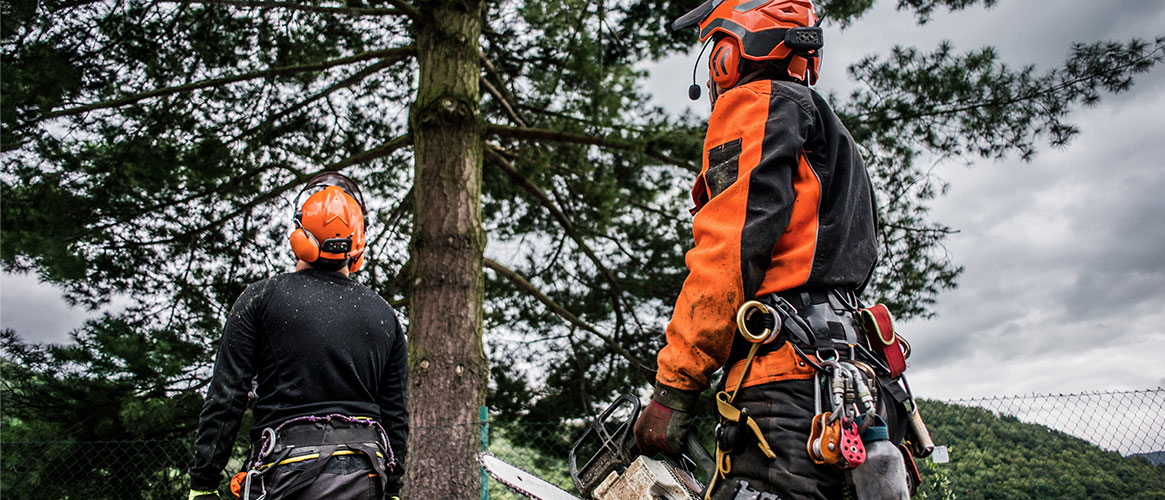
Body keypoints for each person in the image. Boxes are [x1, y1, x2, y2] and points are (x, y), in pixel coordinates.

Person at [634, 1, 915, 499]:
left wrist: (674, 384)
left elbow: (727, 250)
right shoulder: (834, 137)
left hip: (786, 386)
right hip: (854, 382)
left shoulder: (755, 104)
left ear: (728, 54)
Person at [188, 172, 408, 500]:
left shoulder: (260, 299)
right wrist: (392, 488)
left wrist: (203, 483)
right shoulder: (384, 315)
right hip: (367, 477)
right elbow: (396, 414)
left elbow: (227, 397)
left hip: (284, 473)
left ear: (299, 234)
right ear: (357, 244)